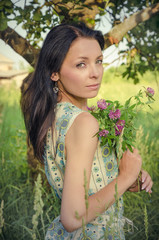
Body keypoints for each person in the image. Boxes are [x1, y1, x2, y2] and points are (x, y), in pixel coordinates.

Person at [21, 22, 153, 239]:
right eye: (81, 64)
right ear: (54, 72)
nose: (95, 73)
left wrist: (123, 179)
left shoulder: (55, 116)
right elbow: (73, 218)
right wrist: (126, 176)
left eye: (99, 61)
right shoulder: (83, 122)